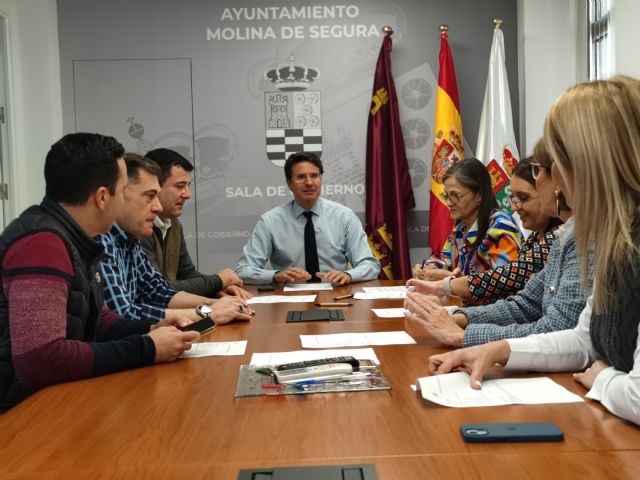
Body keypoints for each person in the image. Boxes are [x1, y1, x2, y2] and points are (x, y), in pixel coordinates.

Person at [427, 77, 640, 426]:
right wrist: (500, 350)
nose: (553, 180)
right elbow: (584, 340)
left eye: (554, 165)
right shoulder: (615, 236)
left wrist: (602, 377)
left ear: (589, 164)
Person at [0, 133, 200, 412]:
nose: (156, 207)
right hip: (21, 416)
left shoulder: (76, 238)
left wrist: (151, 329)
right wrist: (147, 348)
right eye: (122, 192)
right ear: (103, 197)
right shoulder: (42, 244)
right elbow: (40, 358)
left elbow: (100, 320)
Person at [405, 141, 590, 348]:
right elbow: (525, 304)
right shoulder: (556, 236)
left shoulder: (557, 236)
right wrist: (456, 315)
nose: (515, 207)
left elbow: (507, 278)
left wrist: (450, 299)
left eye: (523, 197)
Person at [98, 153, 253, 325]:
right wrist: (209, 312)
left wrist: (215, 303)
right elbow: (123, 316)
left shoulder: (131, 239)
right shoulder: (101, 241)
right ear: (115, 195)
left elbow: (159, 291)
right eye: (150, 196)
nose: (157, 207)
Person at [408, 152, 565, 305]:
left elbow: (505, 281)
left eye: (523, 198)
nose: (514, 208)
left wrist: (449, 285)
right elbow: (518, 301)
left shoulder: (554, 238)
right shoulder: (535, 237)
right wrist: (430, 270)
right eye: (513, 198)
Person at [235, 152, 380, 285]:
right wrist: (276, 276)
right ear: (289, 183)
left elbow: (370, 265)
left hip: (337, 296)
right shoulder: (270, 221)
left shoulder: (344, 216)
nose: (309, 182)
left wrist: (348, 275)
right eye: (301, 177)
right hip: (289, 299)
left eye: (315, 175)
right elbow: (242, 271)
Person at [141, 148, 251, 300]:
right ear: (155, 186)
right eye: (180, 186)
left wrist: (218, 288)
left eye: (188, 186)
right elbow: (157, 290)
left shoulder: (174, 223)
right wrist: (218, 281)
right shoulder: (138, 228)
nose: (188, 194)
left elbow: (186, 273)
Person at [413, 158, 522, 281]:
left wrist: (453, 279)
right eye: (446, 195)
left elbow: (506, 283)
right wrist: (429, 267)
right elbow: (444, 257)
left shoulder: (501, 227)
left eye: (455, 195)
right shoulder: (461, 226)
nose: (448, 203)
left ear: (479, 195)